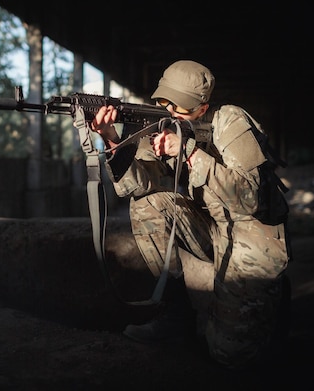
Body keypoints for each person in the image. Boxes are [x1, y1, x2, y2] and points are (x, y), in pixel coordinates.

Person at [90, 60, 291, 369]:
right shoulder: (161, 123)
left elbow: (250, 198)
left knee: (228, 353)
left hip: (252, 232)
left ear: (203, 108)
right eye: (164, 104)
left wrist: (191, 153)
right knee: (147, 205)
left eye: (179, 109)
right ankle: (176, 313)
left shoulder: (230, 122)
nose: (170, 114)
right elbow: (138, 185)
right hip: (211, 224)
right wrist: (110, 139)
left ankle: (272, 300)